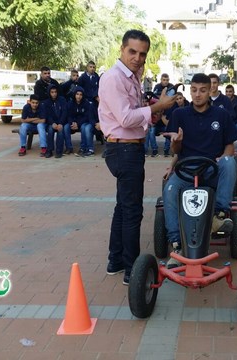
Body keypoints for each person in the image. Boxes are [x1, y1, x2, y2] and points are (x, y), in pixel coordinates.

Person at [98, 29, 176, 285]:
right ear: (121, 50)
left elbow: (134, 114)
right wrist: (158, 107)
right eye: (132, 52)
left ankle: (116, 260)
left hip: (128, 147)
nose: (137, 58)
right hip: (123, 150)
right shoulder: (114, 78)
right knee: (132, 211)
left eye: (142, 54)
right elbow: (126, 118)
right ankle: (132, 270)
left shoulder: (132, 77)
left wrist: (151, 114)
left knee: (123, 207)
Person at [162, 73, 237, 268]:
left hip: (212, 170)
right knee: (169, 190)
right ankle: (177, 244)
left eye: (202, 90)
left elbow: (230, 145)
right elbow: (176, 150)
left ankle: (218, 217)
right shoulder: (180, 115)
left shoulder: (221, 115)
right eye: (194, 90)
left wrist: (223, 158)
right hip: (186, 170)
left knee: (230, 162)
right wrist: (176, 144)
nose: (198, 95)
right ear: (189, 91)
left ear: (210, 90)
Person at [67, 86, 97, 157]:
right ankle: (83, 148)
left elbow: (87, 116)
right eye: (77, 94)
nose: (79, 96)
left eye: (81, 94)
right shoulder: (71, 103)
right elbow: (69, 115)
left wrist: (78, 124)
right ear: (74, 95)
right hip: (75, 123)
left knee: (85, 128)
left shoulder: (86, 103)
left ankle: (90, 149)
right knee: (69, 127)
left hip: (86, 122)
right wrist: (73, 122)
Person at [159, 92, 189, 157]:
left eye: (180, 98)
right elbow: (167, 122)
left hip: (187, 127)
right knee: (170, 132)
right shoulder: (172, 109)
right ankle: (167, 149)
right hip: (175, 127)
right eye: (177, 99)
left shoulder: (189, 106)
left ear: (183, 98)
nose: (179, 100)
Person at [42, 84, 67, 158]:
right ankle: (49, 150)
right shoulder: (46, 102)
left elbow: (64, 112)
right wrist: (52, 123)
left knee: (60, 130)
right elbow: (47, 115)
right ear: (49, 93)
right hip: (51, 122)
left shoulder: (62, 100)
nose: (54, 94)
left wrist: (60, 123)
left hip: (61, 122)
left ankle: (59, 151)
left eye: (55, 92)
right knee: (50, 130)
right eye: (52, 92)